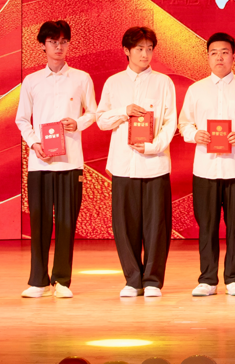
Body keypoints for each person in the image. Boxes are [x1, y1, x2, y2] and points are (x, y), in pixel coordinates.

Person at [177, 31, 235, 297]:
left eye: (225, 52)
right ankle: (207, 279)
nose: (219, 57)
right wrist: (195, 134)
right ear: (207, 57)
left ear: (234, 57)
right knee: (207, 226)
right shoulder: (196, 90)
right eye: (214, 53)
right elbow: (184, 123)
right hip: (205, 169)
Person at [15, 20, 97, 299]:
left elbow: (93, 112)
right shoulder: (32, 81)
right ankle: (38, 281)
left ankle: (62, 280)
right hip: (40, 162)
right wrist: (33, 143)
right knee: (39, 222)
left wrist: (78, 123)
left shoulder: (81, 78)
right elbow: (22, 119)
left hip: (70, 161)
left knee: (66, 222)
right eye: (53, 42)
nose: (58, 47)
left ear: (69, 44)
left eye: (63, 41)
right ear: (43, 45)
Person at [96, 26, 177, 298]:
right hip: (123, 164)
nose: (145, 54)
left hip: (155, 164)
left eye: (149, 49)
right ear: (126, 51)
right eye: (140, 49)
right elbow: (101, 120)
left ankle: (152, 280)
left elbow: (170, 123)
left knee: (157, 226)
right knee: (125, 225)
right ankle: (132, 279)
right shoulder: (114, 83)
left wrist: (153, 146)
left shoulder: (163, 83)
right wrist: (124, 111)